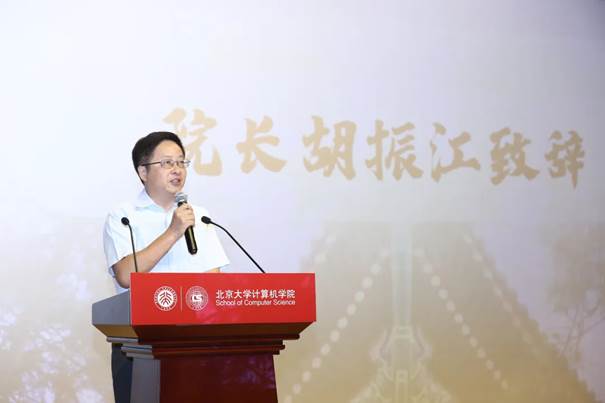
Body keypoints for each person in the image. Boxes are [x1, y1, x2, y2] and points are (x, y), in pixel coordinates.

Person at [102, 131, 229, 403]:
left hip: (195, 341)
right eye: (167, 163)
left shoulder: (200, 216)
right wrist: (174, 232)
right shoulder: (123, 217)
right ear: (143, 172)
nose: (177, 170)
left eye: (181, 162)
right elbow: (125, 275)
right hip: (137, 344)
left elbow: (213, 281)